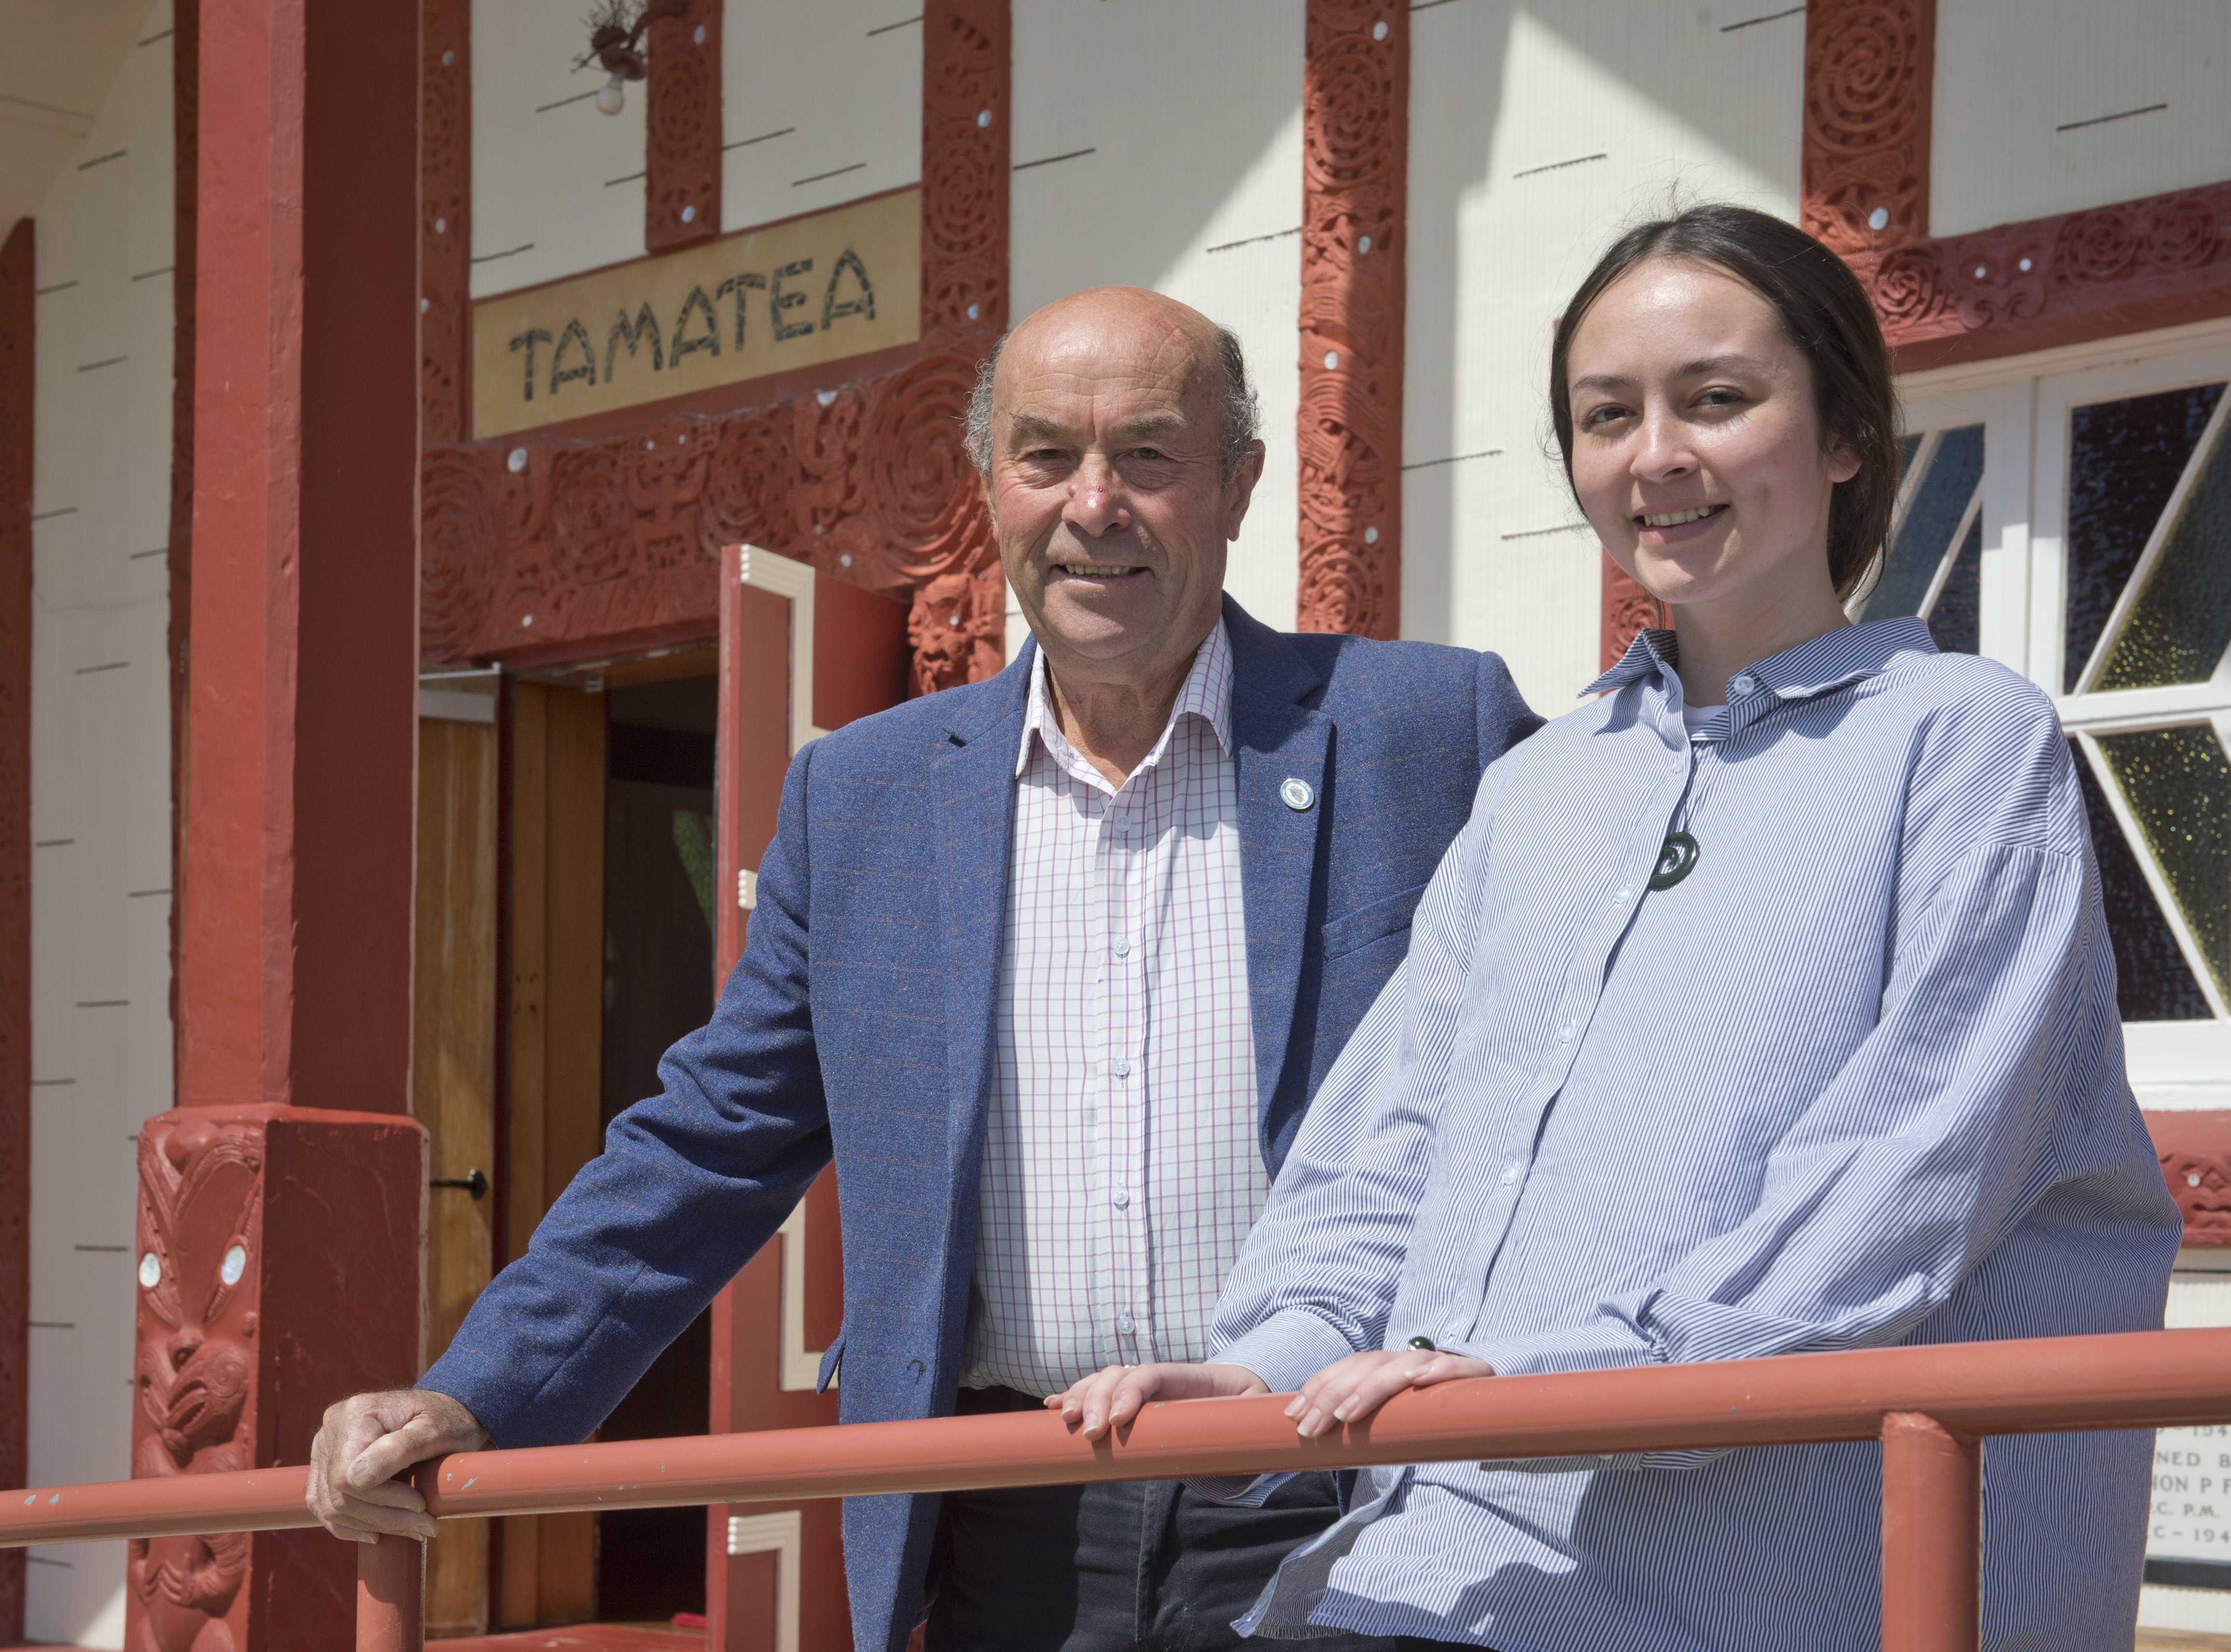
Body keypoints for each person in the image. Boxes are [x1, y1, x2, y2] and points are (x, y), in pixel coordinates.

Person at [304, 285, 1540, 1652]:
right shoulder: (867, 797)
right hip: (1007, 1518)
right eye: (1046, 456)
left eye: (1148, 454)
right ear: (990, 486)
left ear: (1240, 483)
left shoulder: (1426, 731)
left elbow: (1594, 1040)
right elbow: (711, 1137)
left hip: (1350, 1491)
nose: (1095, 504)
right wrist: (482, 1389)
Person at [1055, 208, 2183, 1650]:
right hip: (1437, 1570)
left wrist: (1570, 1381)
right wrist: (1275, 1365)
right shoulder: (1541, 786)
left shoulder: (1963, 740)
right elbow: (1393, 1141)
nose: (1657, 455)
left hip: (1779, 1583)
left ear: (1845, 435)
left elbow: (1916, 1166)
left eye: (1717, 399)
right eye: (1608, 416)